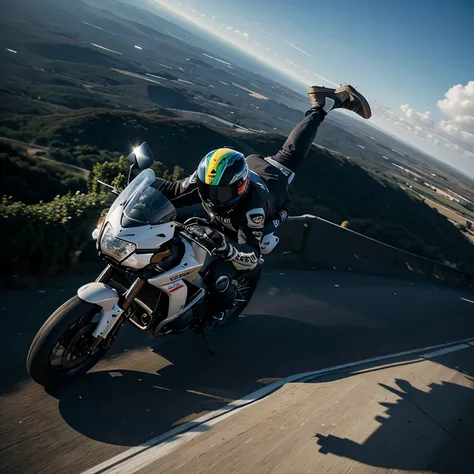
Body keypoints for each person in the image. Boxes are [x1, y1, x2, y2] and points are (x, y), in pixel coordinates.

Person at [158, 84, 371, 330]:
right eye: (207, 188)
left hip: (274, 192)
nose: (212, 195)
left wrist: (228, 247)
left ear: (238, 187)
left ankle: (219, 312)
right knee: (288, 152)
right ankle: (321, 106)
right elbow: (172, 191)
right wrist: (144, 186)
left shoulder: (253, 210)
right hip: (255, 167)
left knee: (224, 273)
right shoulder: (208, 180)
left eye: (221, 192)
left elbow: (252, 254)